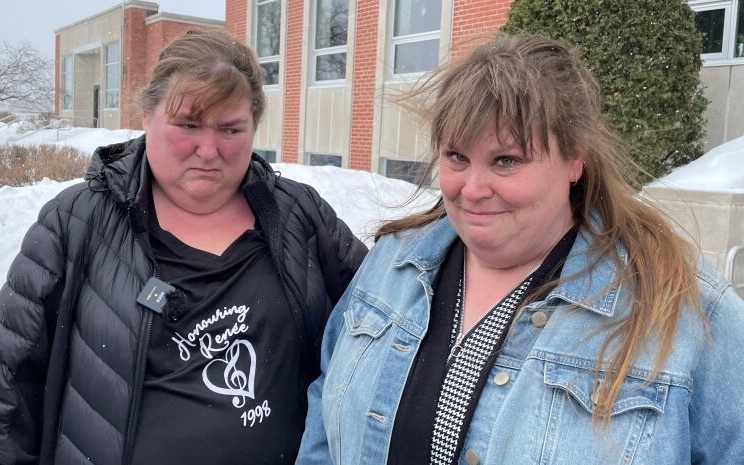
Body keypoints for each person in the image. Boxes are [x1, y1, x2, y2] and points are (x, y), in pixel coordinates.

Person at [296, 34, 744, 465]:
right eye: (456, 157)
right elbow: (326, 403)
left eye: (505, 160)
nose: (472, 189)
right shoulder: (392, 263)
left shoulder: (686, 311)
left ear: (575, 159)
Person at [0, 29, 366, 465]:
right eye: (188, 124)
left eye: (231, 128)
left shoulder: (299, 215)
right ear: (146, 116)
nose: (208, 150)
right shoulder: (76, 223)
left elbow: (385, 321)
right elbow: (5, 398)